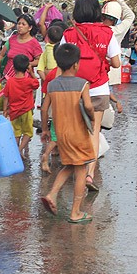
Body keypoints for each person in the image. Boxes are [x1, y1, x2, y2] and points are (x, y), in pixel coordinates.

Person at [62, 0, 121, 191]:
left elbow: (61, 62)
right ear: (98, 10)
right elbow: (116, 63)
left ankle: (75, 166)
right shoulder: (107, 33)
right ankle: (89, 174)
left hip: (74, 89)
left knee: (75, 130)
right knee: (94, 132)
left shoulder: (69, 33)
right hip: (98, 88)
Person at [40, 43, 95, 224]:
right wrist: (92, 118)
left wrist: (45, 129)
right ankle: (75, 212)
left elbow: (44, 109)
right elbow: (88, 106)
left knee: (70, 165)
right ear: (76, 64)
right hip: (78, 134)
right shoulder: (82, 84)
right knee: (81, 169)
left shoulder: (52, 85)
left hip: (61, 134)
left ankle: (52, 194)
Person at [1, 54, 40, 159]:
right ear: (27, 68)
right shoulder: (28, 81)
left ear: (14, 67)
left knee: (17, 133)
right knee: (28, 132)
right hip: (26, 111)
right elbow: (37, 84)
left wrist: (5, 110)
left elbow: (6, 96)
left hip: (14, 111)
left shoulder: (10, 82)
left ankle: (16, 151)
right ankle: (19, 150)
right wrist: (31, 73)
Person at [0, 13, 42, 81]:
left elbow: (39, 60)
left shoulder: (34, 43)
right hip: (7, 77)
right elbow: (1, 55)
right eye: (19, 23)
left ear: (30, 28)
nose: (20, 26)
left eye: (23, 24)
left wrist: (26, 64)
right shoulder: (12, 39)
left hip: (24, 80)